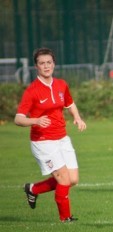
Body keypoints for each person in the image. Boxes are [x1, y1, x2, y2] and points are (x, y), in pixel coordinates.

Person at [15, 47, 86, 222]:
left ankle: (33, 189)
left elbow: (70, 104)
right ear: (36, 67)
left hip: (62, 138)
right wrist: (35, 121)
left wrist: (77, 118)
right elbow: (18, 119)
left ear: (54, 64)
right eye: (42, 63)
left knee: (73, 179)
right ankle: (65, 218)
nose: (46, 66)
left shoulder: (61, 84)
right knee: (63, 180)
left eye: (49, 62)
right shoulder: (32, 90)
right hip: (43, 142)